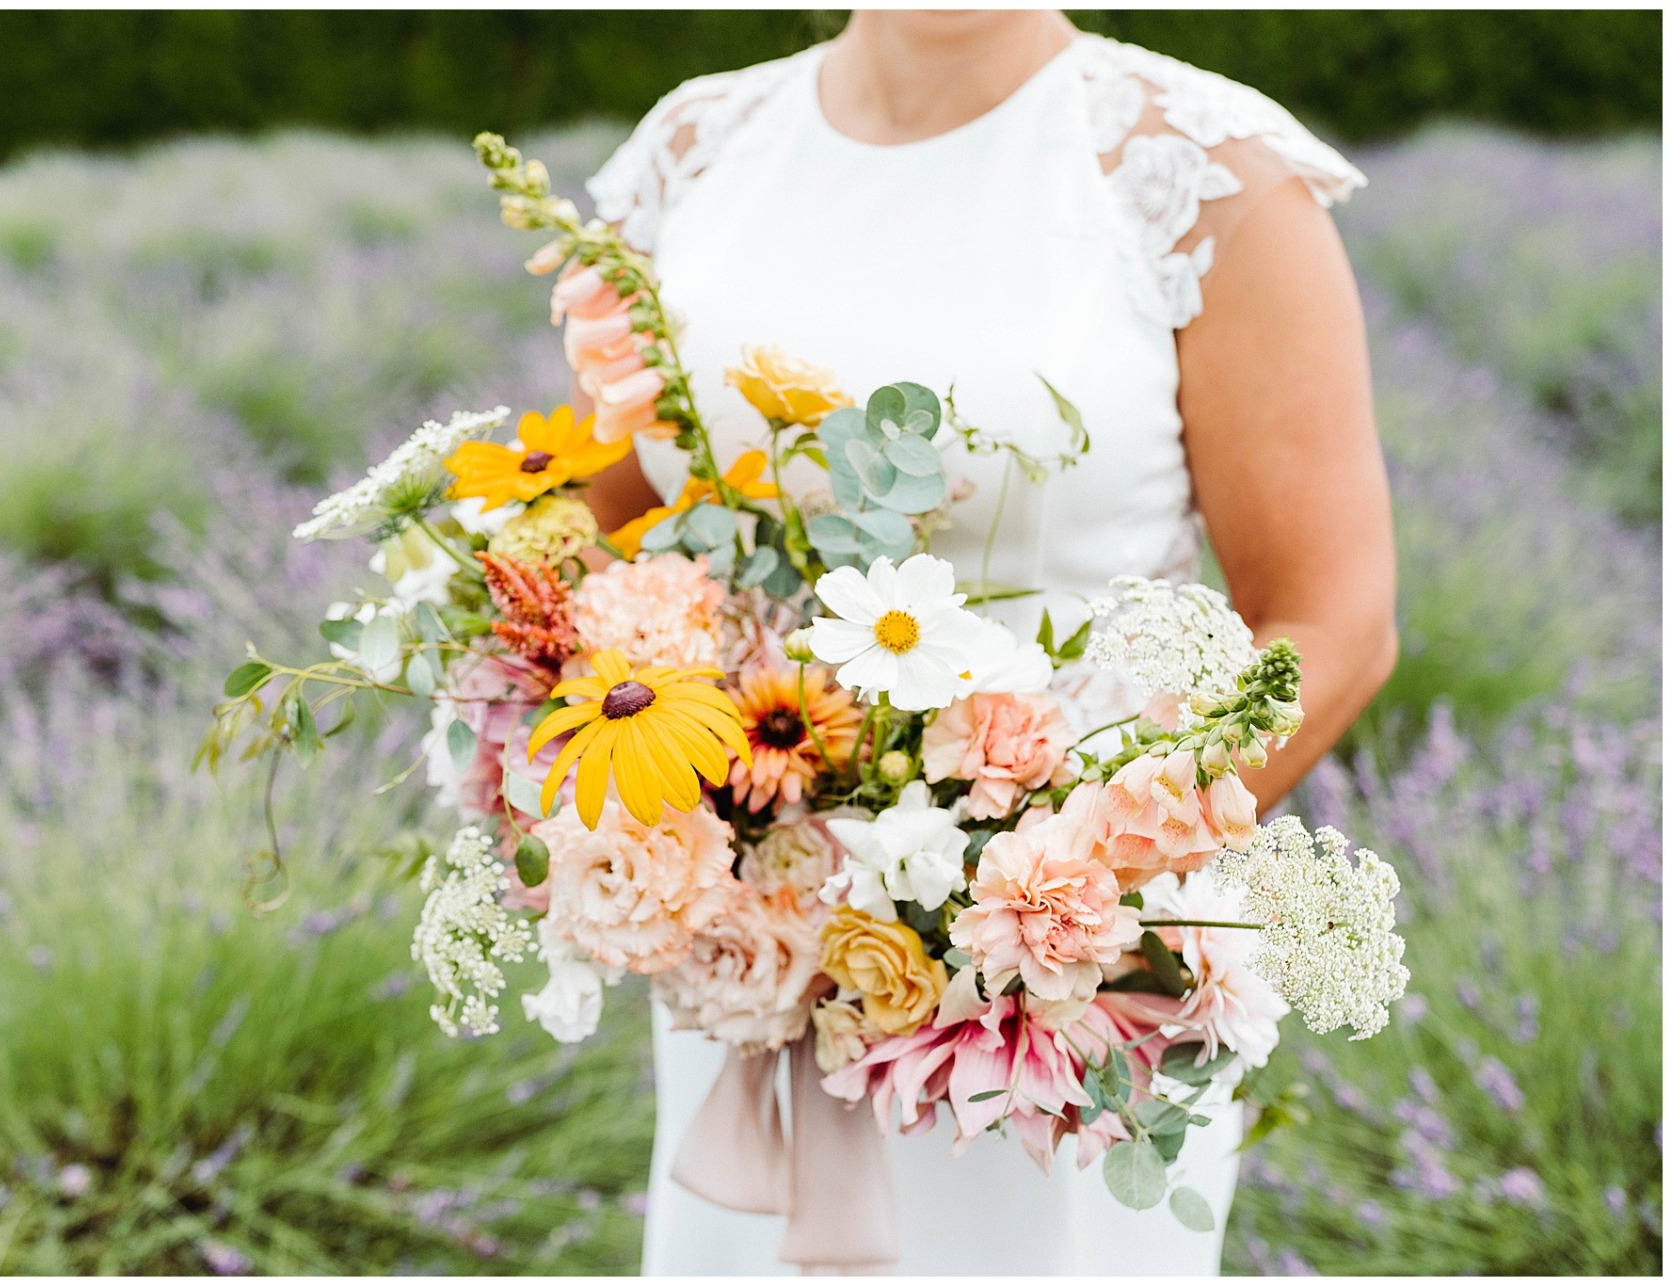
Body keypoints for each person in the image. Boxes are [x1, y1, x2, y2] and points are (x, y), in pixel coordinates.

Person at [575, 9, 1397, 1275]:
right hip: (748, 964)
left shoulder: (1205, 174)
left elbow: (1328, 621)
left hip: (1062, 1008)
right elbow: (618, 544)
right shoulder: (694, 150)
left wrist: (1043, 894)